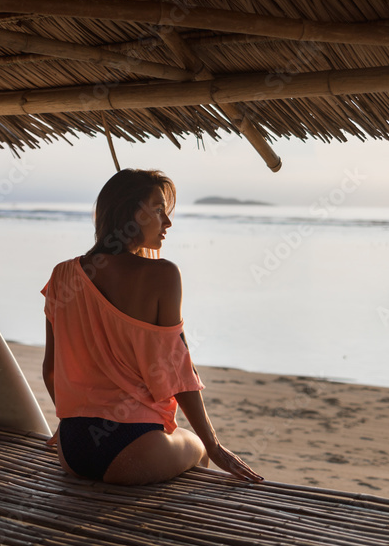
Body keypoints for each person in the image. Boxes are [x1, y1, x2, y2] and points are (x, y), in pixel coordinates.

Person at [40, 168, 262, 486]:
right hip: (134, 448)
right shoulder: (162, 275)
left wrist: (65, 425)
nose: (167, 223)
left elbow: (50, 369)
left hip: (72, 449)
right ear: (128, 213)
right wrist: (214, 446)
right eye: (158, 210)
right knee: (197, 452)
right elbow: (178, 371)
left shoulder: (61, 275)